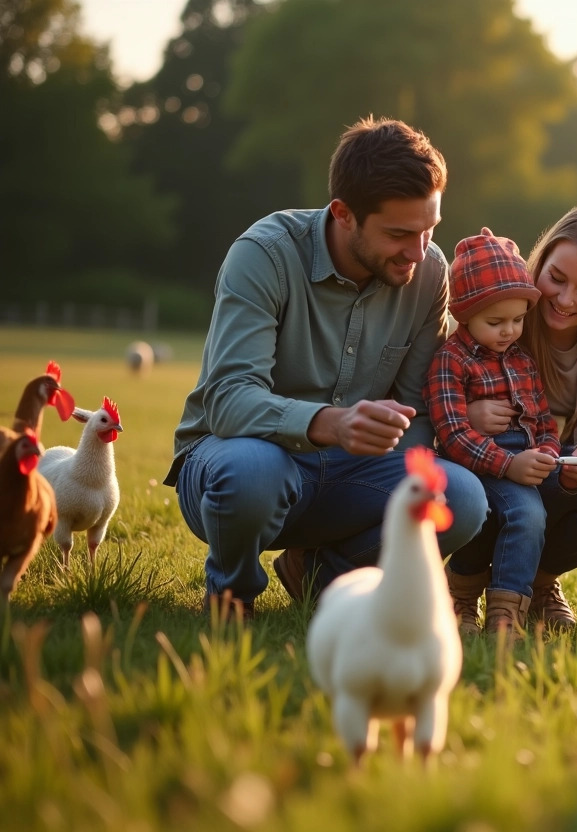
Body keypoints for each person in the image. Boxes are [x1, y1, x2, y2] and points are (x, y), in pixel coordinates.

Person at [165, 116, 488, 616]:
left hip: (351, 475)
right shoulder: (265, 255)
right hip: (238, 461)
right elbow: (227, 401)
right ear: (343, 214)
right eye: (399, 233)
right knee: (251, 472)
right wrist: (331, 424)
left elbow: (416, 414)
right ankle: (231, 597)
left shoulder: (429, 271)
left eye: (429, 230)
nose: (418, 251)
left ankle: (325, 583)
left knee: (460, 499)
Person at [443, 202, 577, 632]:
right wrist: (468, 413)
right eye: (556, 279)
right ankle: (464, 585)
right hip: (488, 461)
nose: (564, 300)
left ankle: (541, 583)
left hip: (548, 468)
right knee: (501, 489)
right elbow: (448, 381)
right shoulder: (503, 316)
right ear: (539, 261)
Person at [425, 229, 566, 634]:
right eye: (496, 321)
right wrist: (509, 465)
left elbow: (542, 419)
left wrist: (549, 452)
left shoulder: (521, 360)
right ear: (464, 315)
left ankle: (510, 605)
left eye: (518, 320)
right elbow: (451, 433)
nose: (509, 331)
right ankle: (483, 605)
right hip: (474, 464)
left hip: (524, 461)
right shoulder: (449, 360)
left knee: (548, 507)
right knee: (520, 513)